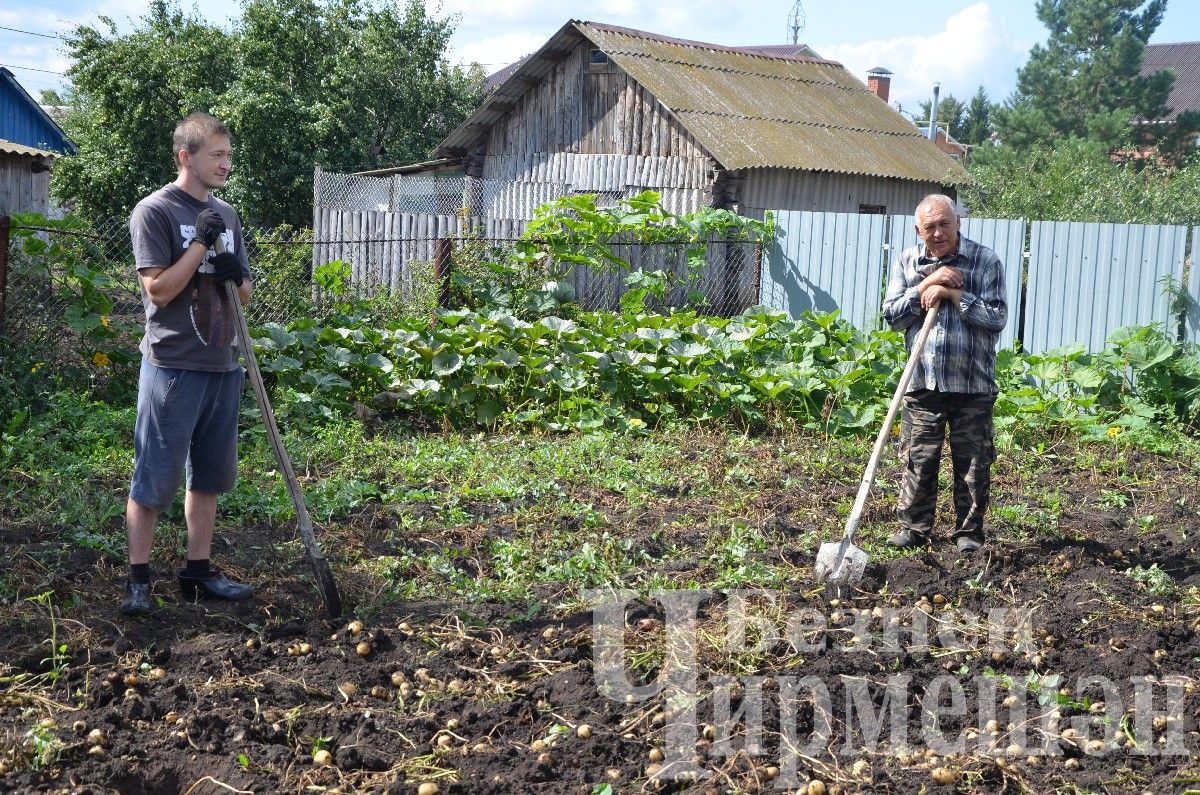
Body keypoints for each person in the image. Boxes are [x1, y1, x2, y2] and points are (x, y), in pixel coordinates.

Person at [120, 112, 254, 615]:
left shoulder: (228, 214)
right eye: (216, 155)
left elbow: (243, 294)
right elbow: (157, 288)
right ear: (186, 157)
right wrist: (199, 244)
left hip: (223, 362)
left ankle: (197, 573)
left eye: (228, 155)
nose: (226, 163)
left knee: (210, 477)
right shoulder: (154, 211)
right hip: (173, 365)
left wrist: (235, 272)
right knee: (155, 474)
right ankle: (139, 581)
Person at [881, 194, 1007, 554]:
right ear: (918, 230)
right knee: (918, 459)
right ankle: (914, 529)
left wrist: (953, 295)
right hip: (923, 381)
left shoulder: (985, 262)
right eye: (929, 227)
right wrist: (926, 284)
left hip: (973, 384)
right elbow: (892, 317)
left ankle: (968, 534)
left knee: (973, 465)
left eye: (944, 224)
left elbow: (996, 319)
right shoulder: (907, 261)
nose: (938, 233)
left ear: (958, 223)